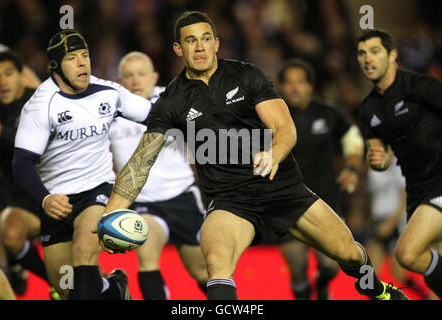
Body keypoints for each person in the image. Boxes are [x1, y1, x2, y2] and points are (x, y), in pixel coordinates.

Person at [98, 11, 408, 300]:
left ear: (217, 43)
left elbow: (284, 127)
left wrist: (274, 153)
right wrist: (111, 213)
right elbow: (141, 162)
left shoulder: (247, 76)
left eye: (206, 38)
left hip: (282, 188)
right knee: (217, 263)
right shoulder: (171, 101)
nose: (201, 47)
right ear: (179, 49)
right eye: (191, 41)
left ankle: (378, 289)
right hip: (229, 200)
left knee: (349, 252)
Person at [12, 30, 152, 300]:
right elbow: (22, 162)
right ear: (56, 67)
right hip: (56, 203)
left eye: (85, 56)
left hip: (96, 192)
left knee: (83, 252)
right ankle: (115, 288)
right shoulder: (41, 105)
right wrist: (44, 200)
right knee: (67, 288)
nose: (82, 63)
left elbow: (154, 114)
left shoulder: (107, 92)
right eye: (72, 58)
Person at [108, 51, 208, 299]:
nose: (135, 81)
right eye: (128, 76)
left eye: (141, 74)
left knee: (203, 272)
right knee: (146, 257)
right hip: (143, 203)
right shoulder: (109, 110)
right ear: (120, 81)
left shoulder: (173, 98)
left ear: (154, 77)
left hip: (182, 197)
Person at [267, 58, 364, 299]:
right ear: (281, 87)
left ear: (310, 86)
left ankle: (322, 285)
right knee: (298, 267)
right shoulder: (269, 119)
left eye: (300, 82)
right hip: (285, 205)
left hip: (326, 201)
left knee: (331, 265)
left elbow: (352, 139)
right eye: (289, 83)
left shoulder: (328, 113)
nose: (295, 88)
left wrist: (352, 168)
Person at [357, 29, 442, 298]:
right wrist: (379, 161)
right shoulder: (368, 108)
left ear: (392, 55)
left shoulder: (421, 87)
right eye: (361, 53)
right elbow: (379, 158)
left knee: (407, 253)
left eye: (374, 51)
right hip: (417, 192)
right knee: (430, 272)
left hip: (439, 183)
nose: (367, 58)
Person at [0, 50, 51, 296]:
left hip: (58, 189)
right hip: (21, 198)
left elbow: (38, 148)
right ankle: (54, 281)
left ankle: (109, 286)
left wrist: (0, 132)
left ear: (21, 76)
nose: (2, 81)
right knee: (10, 231)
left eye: (8, 74)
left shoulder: (39, 102)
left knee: (83, 266)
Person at [365, 155, 434, 299]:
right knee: (371, 275)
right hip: (378, 221)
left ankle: (425, 296)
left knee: (399, 274)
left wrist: (392, 223)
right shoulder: (372, 166)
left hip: (394, 221)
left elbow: (404, 197)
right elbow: (373, 197)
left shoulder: (397, 165)